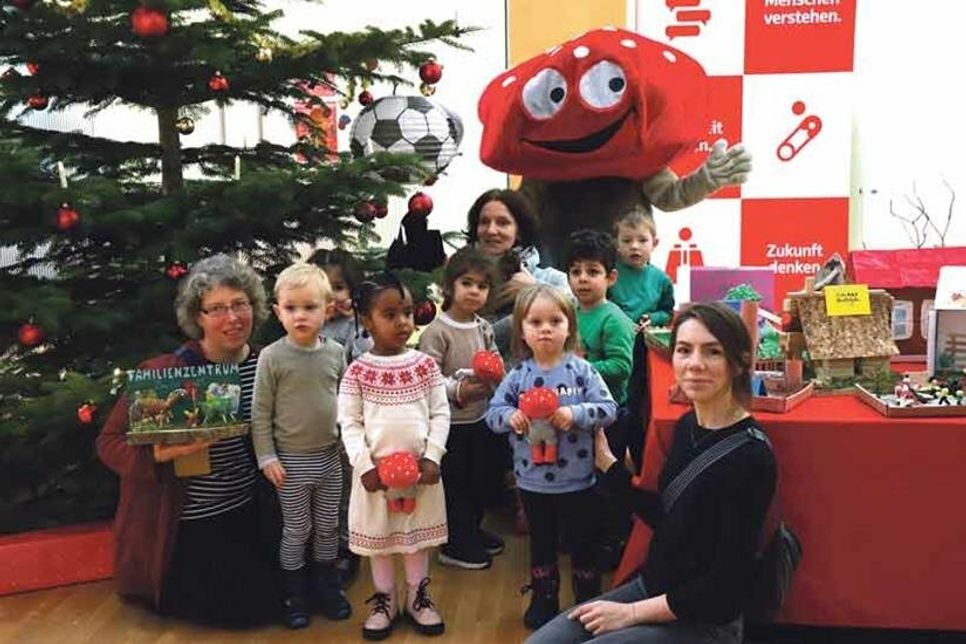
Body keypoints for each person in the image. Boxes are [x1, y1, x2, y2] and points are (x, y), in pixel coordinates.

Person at [528, 302, 777, 644]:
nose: (695, 365)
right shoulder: (688, 426)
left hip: (703, 619)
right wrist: (609, 466)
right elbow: (668, 517)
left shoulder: (751, 458)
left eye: (713, 352)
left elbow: (725, 588)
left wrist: (629, 614)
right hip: (654, 587)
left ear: (739, 363)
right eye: (684, 350)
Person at [96, 254, 282, 626]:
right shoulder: (167, 373)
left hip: (252, 511)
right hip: (191, 523)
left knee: (290, 598)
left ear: (254, 307)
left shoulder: (269, 363)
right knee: (245, 611)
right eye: (216, 309)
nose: (232, 318)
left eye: (239, 304)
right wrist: (159, 456)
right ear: (198, 317)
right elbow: (108, 442)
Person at [485, 284, 618, 631]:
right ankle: (544, 598)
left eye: (555, 320)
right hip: (531, 482)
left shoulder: (582, 371)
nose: (545, 328)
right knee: (541, 545)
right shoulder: (519, 374)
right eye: (536, 322)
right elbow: (493, 413)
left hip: (578, 480)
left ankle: (587, 601)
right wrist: (510, 417)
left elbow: (608, 409)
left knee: (582, 544)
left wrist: (575, 414)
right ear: (523, 331)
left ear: (569, 327)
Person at [337, 274, 450, 640]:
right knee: (380, 540)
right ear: (367, 321)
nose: (403, 321)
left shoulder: (425, 366)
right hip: (375, 478)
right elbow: (349, 422)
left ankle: (418, 596)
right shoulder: (357, 372)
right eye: (390, 314)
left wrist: (433, 455)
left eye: (406, 312)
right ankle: (384, 598)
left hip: (420, 475)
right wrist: (364, 465)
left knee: (415, 537)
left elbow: (440, 412)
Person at [251, 263, 352, 628]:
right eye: (291, 308)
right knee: (297, 528)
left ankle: (326, 583)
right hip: (290, 464)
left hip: (329, 459)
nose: (300, 315)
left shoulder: (336, 352)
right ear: (278, 312)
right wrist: (267, 457)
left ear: (327, 309)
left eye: (309, 307)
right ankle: (294, 591)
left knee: (327, 526)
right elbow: (260, 413)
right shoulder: (272, 357)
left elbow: (347, 400)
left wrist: (349, 441)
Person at [418, 246, 505, 571]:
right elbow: (427, 378)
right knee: (455, 484)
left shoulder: (483, 327)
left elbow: (495, 361)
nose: (474, 291)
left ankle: (472, 529)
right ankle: (455, 543)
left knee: (478, 480)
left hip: (479, 419)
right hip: (449, 425)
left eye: (482, 286)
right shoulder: (437, 331)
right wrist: (457, 389)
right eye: (467, 283)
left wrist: (499, 380)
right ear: (450, 286)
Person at [565, 230, 637, 570]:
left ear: (610, 277)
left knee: (603, 481)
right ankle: (583, 534)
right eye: (576, 271)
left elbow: (622, 368)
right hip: (577, 413)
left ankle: (611, 541)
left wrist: (581, 366)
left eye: (592, 271)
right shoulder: (569, 313)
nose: (582, 279)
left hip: (610, 416)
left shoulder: (614, 319)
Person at [309, 247, 371, 585]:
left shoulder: (354, 328)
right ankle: (318, 547)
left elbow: (364, 364)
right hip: (309, 426)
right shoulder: (305, 327)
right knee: (316, 492)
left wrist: (359, 316)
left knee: (346, 490)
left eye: (338, 287)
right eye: (323, 288)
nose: (331, 296)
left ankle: (346, 549)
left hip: (345, 426)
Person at [608, 206, 675, 472]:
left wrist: (654, 319)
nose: (634, 246)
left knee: (637, 406)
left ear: (654, 243)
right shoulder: (611, 274)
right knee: (614, 403)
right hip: (613, 349)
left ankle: (639, 463)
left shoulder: (661, 279)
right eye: (627, 240)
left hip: (643, 351)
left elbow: (667, 310)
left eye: (642, 240)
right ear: (617, 244)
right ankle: (610, 460)